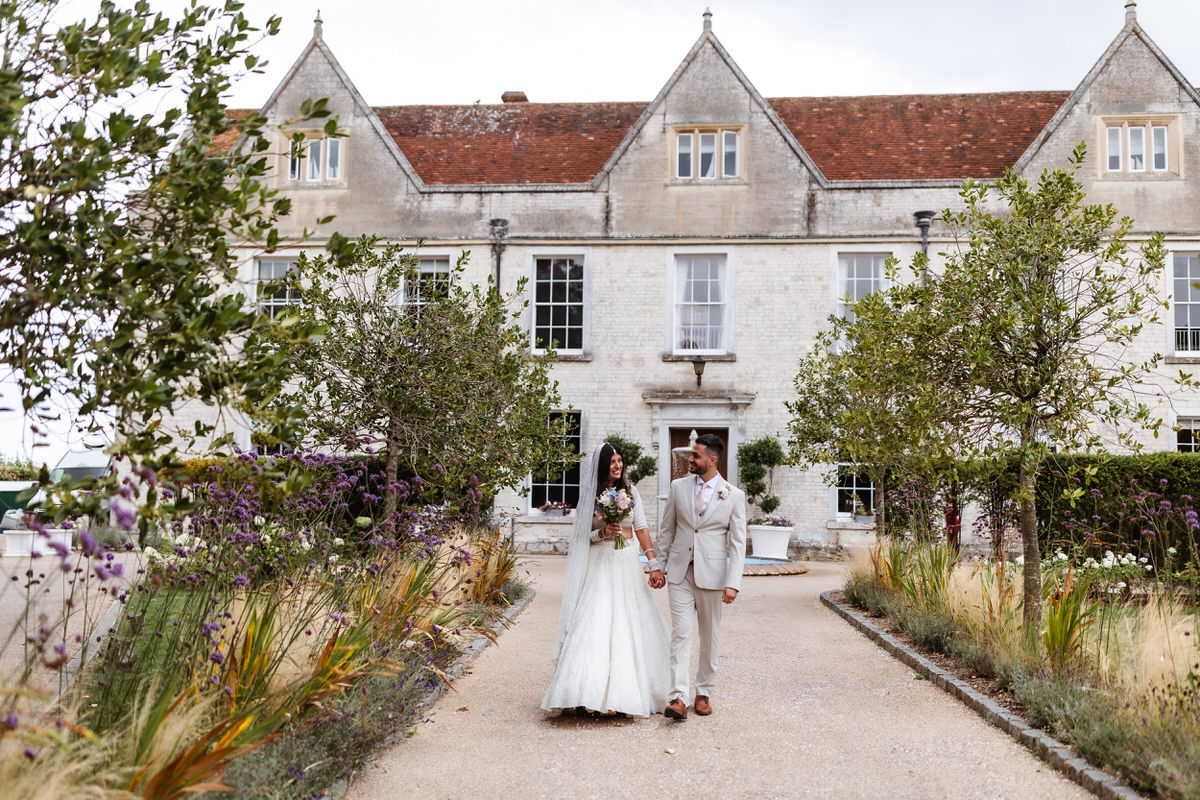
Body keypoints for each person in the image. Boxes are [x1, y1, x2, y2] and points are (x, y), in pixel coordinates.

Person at [541, 442, 670, 717]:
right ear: (602, 465)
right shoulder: (591, 494)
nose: (617, 465)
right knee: (595, 619)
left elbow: (641, 527)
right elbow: (580, 537)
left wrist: (653, 562)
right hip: (601, 563)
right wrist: (602, 533)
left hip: (625, 562)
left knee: (628, 620)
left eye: (620, 460)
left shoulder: (631, 491)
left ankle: (626, 694)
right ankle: (581, 692)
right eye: (612, 461)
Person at [649, 433, 746, 721]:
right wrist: (657, 566)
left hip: (714, 576)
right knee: (680, 634)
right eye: (691, 455)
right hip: (680, 573)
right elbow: (666, 530)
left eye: (696, 456)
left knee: (710, 635)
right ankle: (677, 697)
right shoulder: (678, 487)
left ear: (712, 460)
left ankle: (703, 693)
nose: (689, 459)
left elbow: (738, 543)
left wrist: (733, 582)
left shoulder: (734, 495)